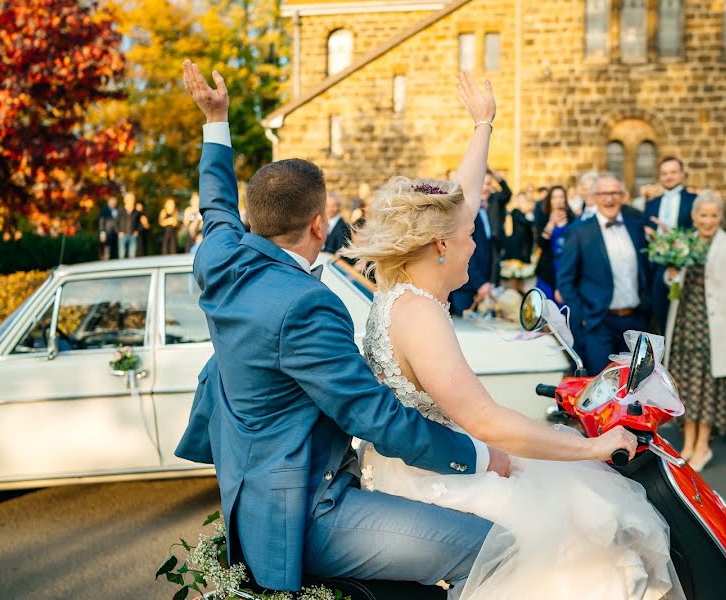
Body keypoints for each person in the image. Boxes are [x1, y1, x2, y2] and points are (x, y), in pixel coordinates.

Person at [175, 61, 506, 597]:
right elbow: (370, 413)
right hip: (306, 512)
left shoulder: (219, 260)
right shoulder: (307, 304)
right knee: (494, 548)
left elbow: (215, 208)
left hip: (253, 489)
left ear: (251, 220)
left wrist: (217, 122)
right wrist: (480, 456)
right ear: (318, 224)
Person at [343, 77, 680, 599]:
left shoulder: (404, 288)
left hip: (441, 456)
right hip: (437, 473)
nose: (474, 245)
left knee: (588, 507)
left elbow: (464, 198)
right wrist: (593, 445)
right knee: (587, 531)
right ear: (439, 247)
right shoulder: (420, 316)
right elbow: (486, 421)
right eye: (468, 237)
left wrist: (484, 124)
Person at [664, 191, 726, 473]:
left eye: (714, 215)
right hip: (685, 322)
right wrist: (670, 274)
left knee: (706, 388)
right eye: (703, 215)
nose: (708, 221)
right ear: (694, 216)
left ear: (721, 218)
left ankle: (703, 445)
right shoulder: (684, 242)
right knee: (686, 384)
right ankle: (689, 442)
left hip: (713, 329)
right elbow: (671, 278)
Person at [556, 173, 652, 374]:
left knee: (633, 388)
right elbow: (565, 280)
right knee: (603, 386)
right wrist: (582, 315)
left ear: (623, 196)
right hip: (598, 323)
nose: (610, 199)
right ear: (594, 197)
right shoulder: (579, 232)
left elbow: (645, 270)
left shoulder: (636, 228)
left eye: (615, 193)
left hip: (635, 323)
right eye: (604, 193)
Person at [645, 156, 698, 333]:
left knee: (685, 319)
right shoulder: (652, 204)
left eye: (673, 172)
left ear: (682, 174)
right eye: (664, 173)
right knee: (662, 318)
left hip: (687, 268)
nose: (669, 177)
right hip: (658, 269)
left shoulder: (694, 201)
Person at [533, 185, 575, 305]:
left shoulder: (572, 219)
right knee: (545, 309)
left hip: (566, 267)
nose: (558, 200)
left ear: (565, 199)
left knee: (563, 309)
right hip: (548, 266)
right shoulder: (543, 217)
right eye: (554, 197)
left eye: (561, 197)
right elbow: (540, 244)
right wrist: (551, 224)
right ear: (550, 200)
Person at [499, 192, 535, 291]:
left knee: (522, 278)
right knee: (514, 275)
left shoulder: (525, 213)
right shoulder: (516, 212)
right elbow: (527, 223)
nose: (521, 202)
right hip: (516, 249)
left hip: (524, 249)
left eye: (524, 200)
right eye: (519, 200)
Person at [116, 192, 141, 259]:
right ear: (125, 200)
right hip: (122, 235)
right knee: (122, 255)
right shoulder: (120, 210)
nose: (131, 200)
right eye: (129, 199)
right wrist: (118, 231)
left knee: (132, 255)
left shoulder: (136, 211)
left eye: (132, 199)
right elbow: (115, 222)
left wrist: (137, 231)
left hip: (132, 235)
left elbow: (139, 223)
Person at [98, 196, 118, 260]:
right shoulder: (105, 210)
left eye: (114, 202)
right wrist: (102, 232)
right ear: (108, 202)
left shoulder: (116, 210)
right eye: (112, 202)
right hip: (107, 233)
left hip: (115, 233)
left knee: (114, 251)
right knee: (106, 250)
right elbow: (101, 221)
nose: (113, 203)